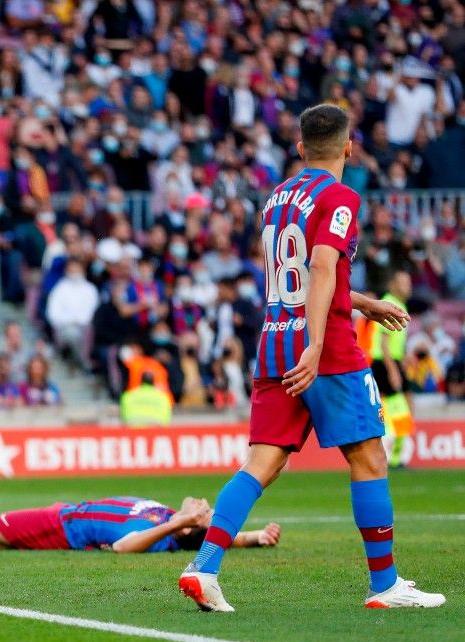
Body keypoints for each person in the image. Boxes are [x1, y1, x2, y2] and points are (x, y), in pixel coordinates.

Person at [178, 105, 444, 612]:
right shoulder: (340, 197)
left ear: (301, 149)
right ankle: (385, 585)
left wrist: (365, 302)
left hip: (274, 343)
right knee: (368, 457)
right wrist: (318, 345)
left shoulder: (279, 196)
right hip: (325, 349)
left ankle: (204, 566)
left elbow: (295, 272)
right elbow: (321, 267)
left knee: (260, 462)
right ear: (349, 148)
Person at [0, 495, 281, 554]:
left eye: (201, 512)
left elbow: (124, 548)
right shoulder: (165, 514)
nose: (201, 504)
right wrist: (255, 537)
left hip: (59, 527)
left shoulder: (163, 534)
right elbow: (219, 534)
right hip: (62, 514)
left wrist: (182, 520)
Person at [370, 271, 414, 468]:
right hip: (384, 364)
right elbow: (384, 342)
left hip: (392, 362)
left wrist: (402, 361)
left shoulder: (399, 304)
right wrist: (393, 370)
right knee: (396, 412)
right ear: (393, 285)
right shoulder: (389, 303)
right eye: (404, 283)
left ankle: (395, 458)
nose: (408, 286)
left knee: (399, 411)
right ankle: (389, 457)